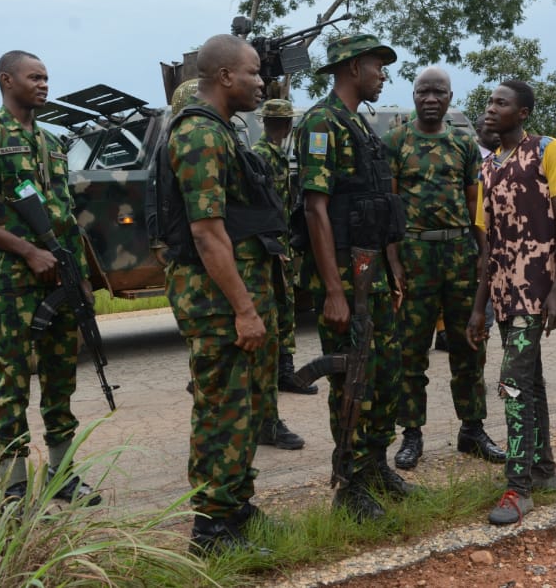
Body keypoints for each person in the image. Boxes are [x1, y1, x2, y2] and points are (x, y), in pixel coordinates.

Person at [0, 50, 100, 507]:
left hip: (61, 280)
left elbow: (66, 217)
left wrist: (83, 279)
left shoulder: (53, 143)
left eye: (47, 78)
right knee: (13, 382)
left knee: (61, 380)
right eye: (34, 77)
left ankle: (62, 474)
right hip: (15, 283)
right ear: (6, 79)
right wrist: (27, 251)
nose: (43, 85)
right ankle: (14, 486)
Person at [164, 34, 283, 553]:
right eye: (254, 73)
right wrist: (244, 309)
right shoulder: (199, 136)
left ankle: (236, 505)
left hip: (234, 297)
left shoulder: (223, 130)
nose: (263, 82)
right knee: (223, 411)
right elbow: (207, 233)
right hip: (217, 304)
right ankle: (211, 529)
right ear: (225, 77)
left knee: (246, 409)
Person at [294, 33, 414, 521]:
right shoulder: (321, 123)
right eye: (376, 65)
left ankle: (374, 466)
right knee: (353, 381)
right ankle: (349, 482)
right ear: (350, 69)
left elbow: (380, 208)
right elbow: (315, 209)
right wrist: (334, 291)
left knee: (383, 375)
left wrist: (395, 269)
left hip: (376, 274)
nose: (383, 74)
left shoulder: (359, 125)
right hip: (346, 274)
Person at [466, 80, 556, 525]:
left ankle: (518, 488)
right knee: (529, 380)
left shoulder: (549, 150)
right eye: (489, 102)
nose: (490, 109)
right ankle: (544, 468)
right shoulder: (488, 166)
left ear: (524, 112)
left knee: (512, 381)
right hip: (502, 291)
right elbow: (487, 245)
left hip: (537, 288)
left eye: (501, 103)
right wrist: (479, 308)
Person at [386, 67, 505, 470]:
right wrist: (394, 261)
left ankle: (472, 430)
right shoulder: (396, 141)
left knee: (469, 346)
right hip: (415, 255)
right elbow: (391, 207)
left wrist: (484, 255)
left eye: (439, 92)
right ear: (414, 95)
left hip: (458, 254)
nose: (431, 98)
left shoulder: (463, 143)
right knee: (411, 350)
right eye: (424, 91)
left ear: (451, 98)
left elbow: (477, 207)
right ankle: (412, 435)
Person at [249, 98, 310, 452]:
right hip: (274, 247)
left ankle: (284, 371)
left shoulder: (272, 154)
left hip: (281, 242)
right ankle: (279, 379)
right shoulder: (262, 156)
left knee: (285, 309)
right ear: (284, 125)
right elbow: (267, 205)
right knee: (278, 313)